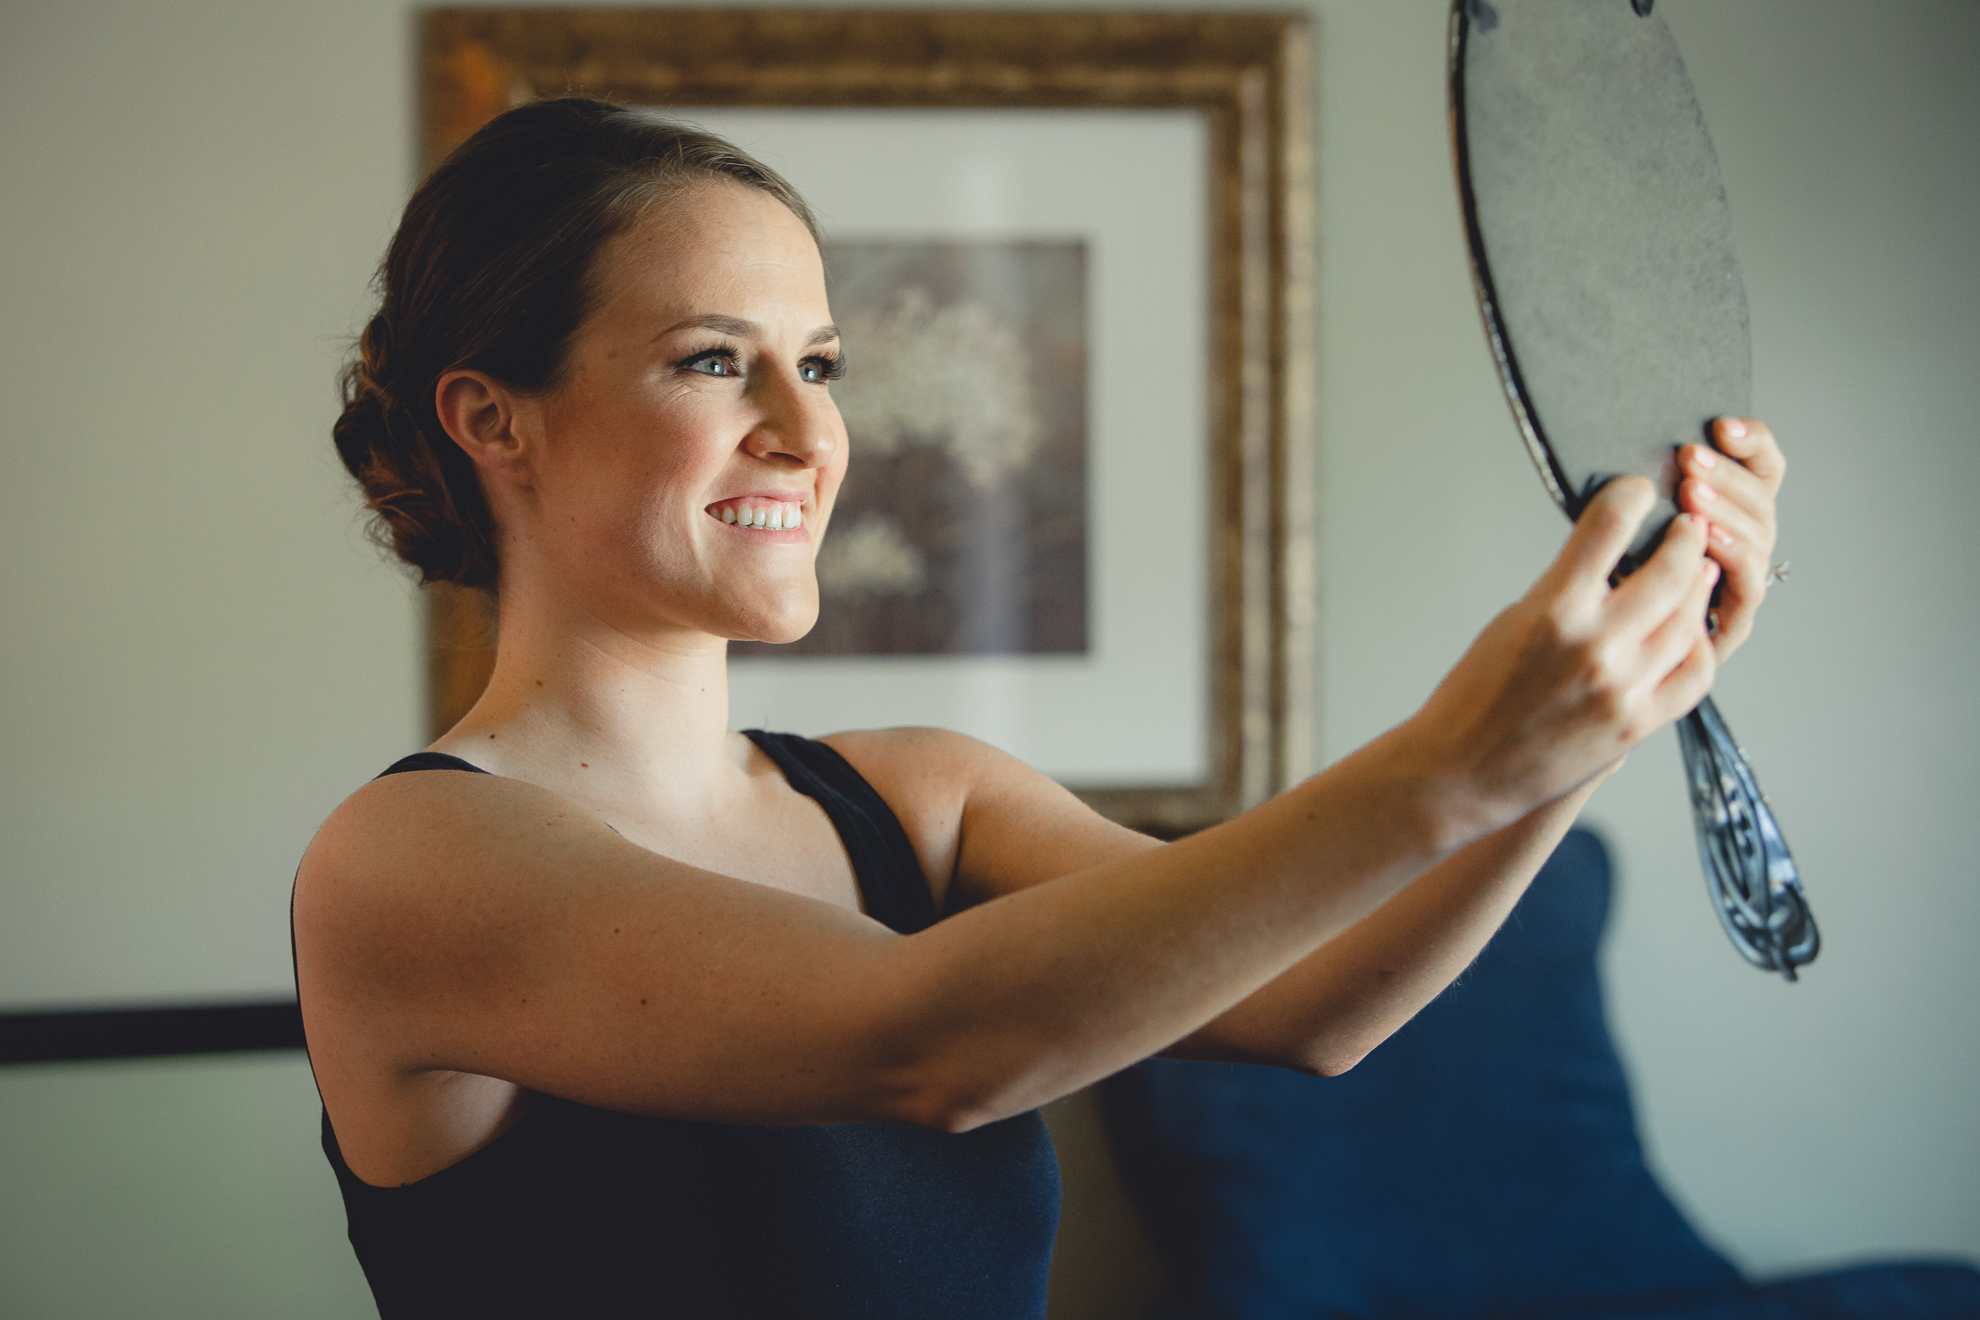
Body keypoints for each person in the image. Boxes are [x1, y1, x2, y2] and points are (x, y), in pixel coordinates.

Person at [294, 97, 1788, 1318]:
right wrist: (1457, 759)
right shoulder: (410, 867)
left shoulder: (921, 799)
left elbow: (1320, 1002)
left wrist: (1606, 704)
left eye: (820, 365)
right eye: (711, 362)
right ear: (492, 419)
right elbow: (934, 1044)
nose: (810, 434)